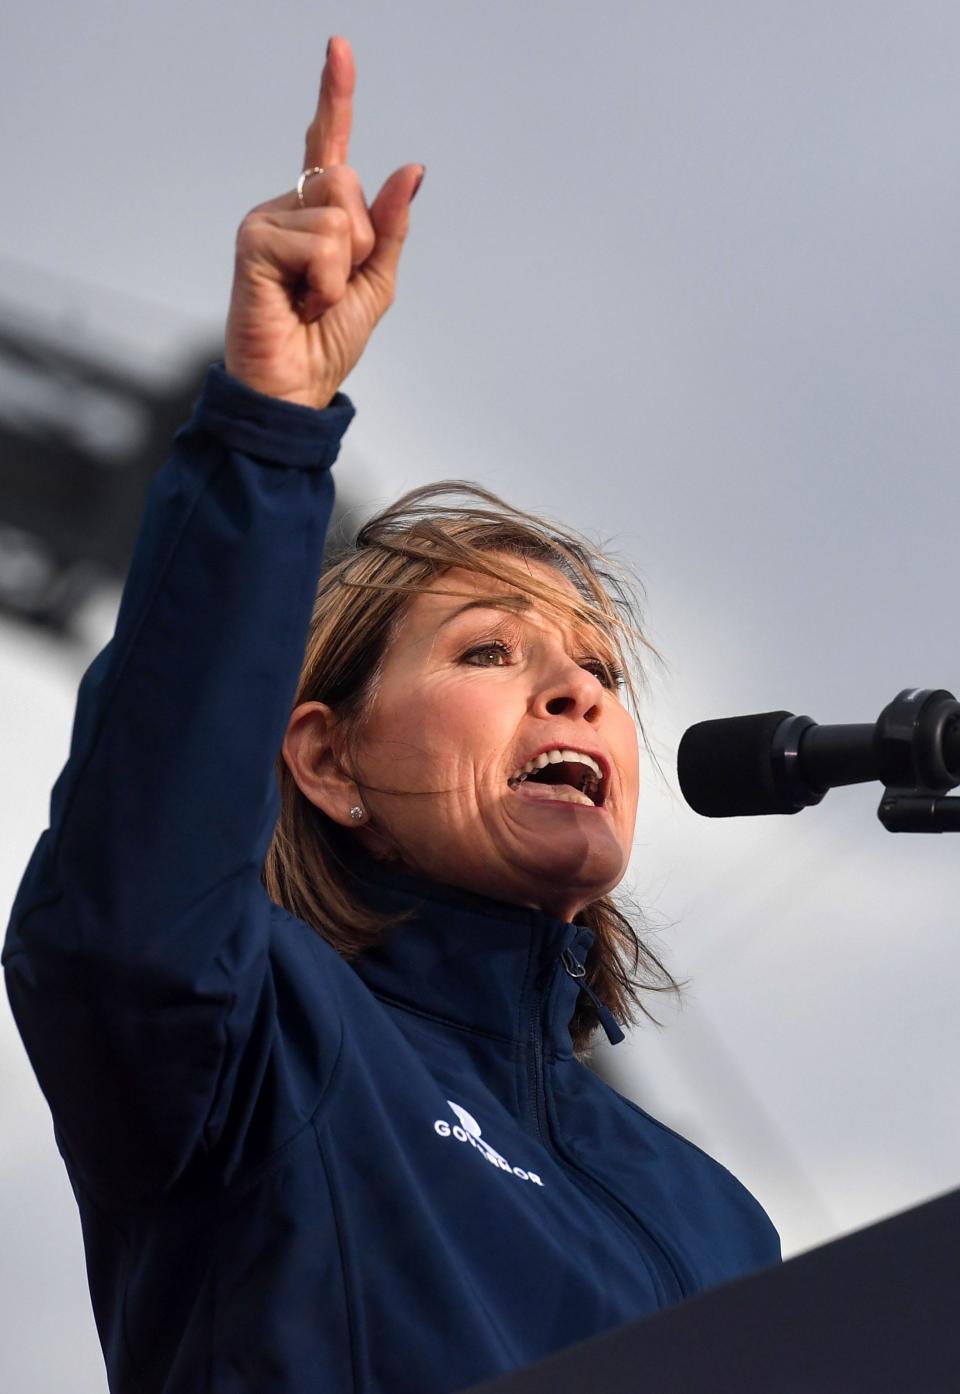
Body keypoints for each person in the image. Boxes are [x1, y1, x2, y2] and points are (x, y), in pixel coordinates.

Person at [3, 35, 780, 1394]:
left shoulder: (723, 1223)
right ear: (327, 758)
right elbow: (135, 908)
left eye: (599, 667)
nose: (578, 687)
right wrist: (269, 424)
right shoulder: (250, 1046)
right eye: (489, 649)